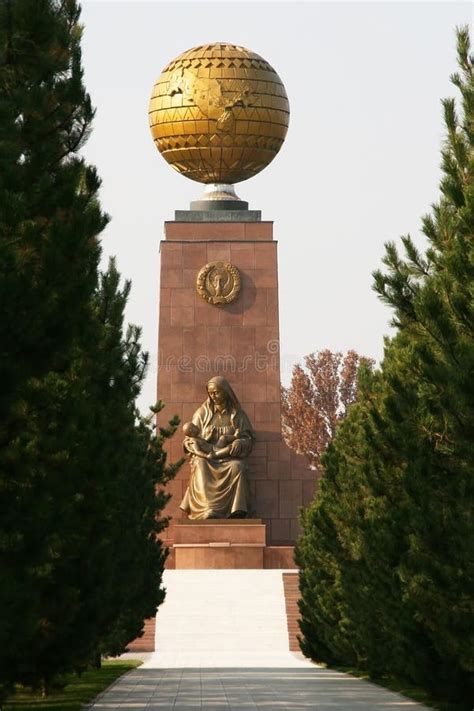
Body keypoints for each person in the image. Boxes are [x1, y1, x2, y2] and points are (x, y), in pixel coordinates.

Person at [180, 376, 254, 520]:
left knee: (237, 467)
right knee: (200, 464)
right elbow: (189, 438)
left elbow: (248, 438)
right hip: (206, 457)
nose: (213, 396)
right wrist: (194, 446)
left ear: (226, 392)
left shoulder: (237, 415)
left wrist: (240, 443)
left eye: (217, 392)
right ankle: (207, 509)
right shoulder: (202, 413)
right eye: (211, 393)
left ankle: (237, 510)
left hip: (228, 458)